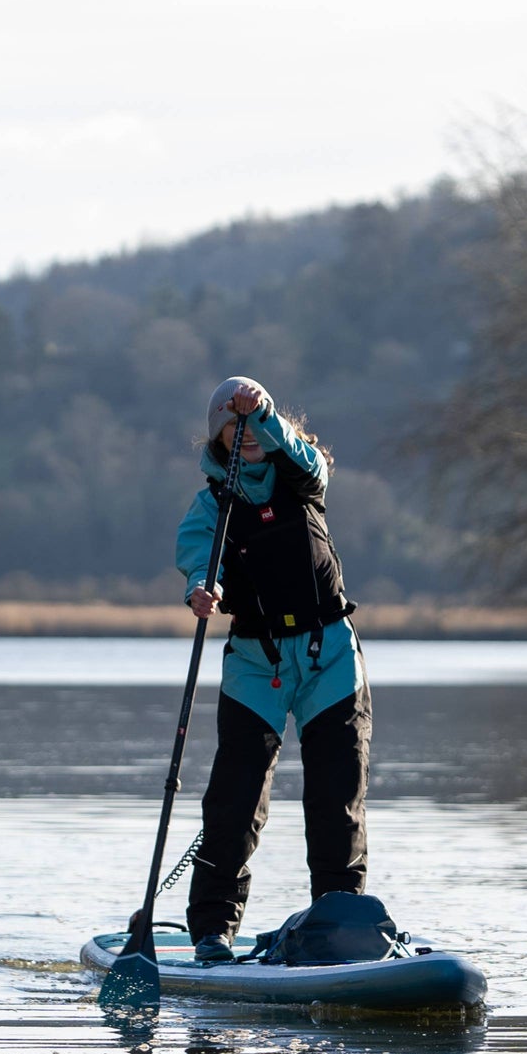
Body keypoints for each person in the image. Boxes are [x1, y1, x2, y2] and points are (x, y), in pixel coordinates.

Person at [178, 376, 371, 963]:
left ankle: (340, 918)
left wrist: (260, 412)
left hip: (329, 654)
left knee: (337, 795)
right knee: (235, 799)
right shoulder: (213, 502)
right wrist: (201, 588)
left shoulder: (301, 478)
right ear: (219, 441)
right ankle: (214, 929)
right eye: (234, 428)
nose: (247, 437)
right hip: (255, 660)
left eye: (255, 425)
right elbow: (196, 553)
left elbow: (306, 461)